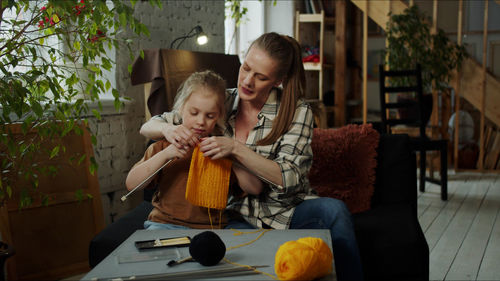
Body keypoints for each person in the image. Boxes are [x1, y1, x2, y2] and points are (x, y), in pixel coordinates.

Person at [139, 32, 364, 280]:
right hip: (233, 217)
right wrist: (169, 129)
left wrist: (236, 149)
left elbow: (288, 179)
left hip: (286, 212)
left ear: (278, 80)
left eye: (260, 77)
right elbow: (151, 125)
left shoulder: (298, 112)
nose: (247, 81)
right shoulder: (220, 100)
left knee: (334, 211)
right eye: (246, 68)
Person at [126, 70, 258, 230]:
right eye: (194, 113)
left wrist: (232, 155)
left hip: (214, 229)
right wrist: (166, 155)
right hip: (165, 224)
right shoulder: (164, 145)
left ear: (220, 115)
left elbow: (255, 188)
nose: (201, 121)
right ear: (181, 108)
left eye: (210, 116)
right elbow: (131, 184)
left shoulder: (223, 147)